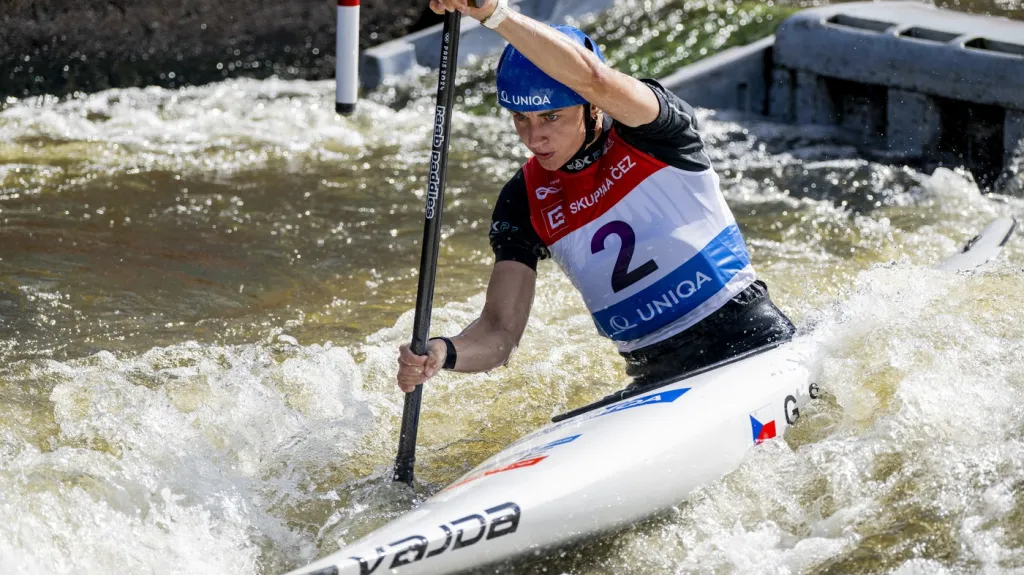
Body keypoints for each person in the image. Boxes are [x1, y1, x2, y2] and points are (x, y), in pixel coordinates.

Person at [397, 0, 796, 394]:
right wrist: (443, 353)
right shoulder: (522, 199)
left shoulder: (652, 129)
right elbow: (500, 334)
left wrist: (492, 14)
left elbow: (595, 79)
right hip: (655, 376)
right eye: (522, 118)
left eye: (551, 116)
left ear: (593, 109)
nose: (534, 138)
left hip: (751, 338)